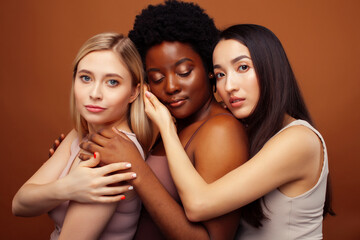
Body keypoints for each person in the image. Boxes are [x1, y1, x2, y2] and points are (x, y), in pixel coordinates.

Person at [142, 24, 335, 239]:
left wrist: (167, 127)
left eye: (242, 67)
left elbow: (199, 205)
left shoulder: (299, 139)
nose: (229, 86)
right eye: (220, 74)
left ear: (271, 68)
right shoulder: (248, 130)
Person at [79, 1, 249, 239]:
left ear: (209, 68)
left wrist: (137, 167)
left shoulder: (221, 130)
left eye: (184, 72)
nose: (170, 86)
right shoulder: (170, 127)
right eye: (157, 78)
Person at [12, 32, 153, 239]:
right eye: (86, 78)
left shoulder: (109, 156)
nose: (95, 93)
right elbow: (19, 204)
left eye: (112, 82)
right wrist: (68, 187)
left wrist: (55, 190)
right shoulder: (80, 135)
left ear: (134, 92)